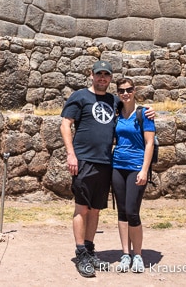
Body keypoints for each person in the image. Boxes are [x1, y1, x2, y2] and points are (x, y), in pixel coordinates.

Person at [60, 61, 154, 277]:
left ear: (110, 78)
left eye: (106, 75)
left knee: (95, 209)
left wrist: (150, 110)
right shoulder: (80, 97)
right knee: (82, 207)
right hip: (84, 160)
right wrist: (71, 153)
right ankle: (81, 252)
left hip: (105, 162)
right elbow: (65, 124)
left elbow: (132, 109)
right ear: (91, 75)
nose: (102, 78)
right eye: (98, 74)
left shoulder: (113, 100)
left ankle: (90, 249)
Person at [111, 77, 156, 274]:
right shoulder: (117, 113)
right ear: (118, 93)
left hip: (136, 166)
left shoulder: (144, 113)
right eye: (121, 91)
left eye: (129, 90)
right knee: (121, 212)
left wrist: (144, 170)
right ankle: (125, 254)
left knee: (132, 211)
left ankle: (137, 254)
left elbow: (149, 143)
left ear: (135, 90)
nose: (125, 93)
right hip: (118, 166)